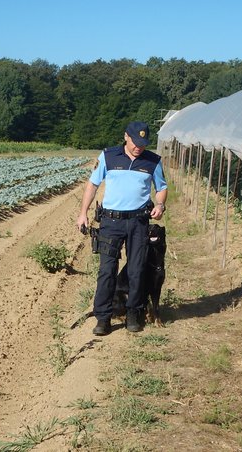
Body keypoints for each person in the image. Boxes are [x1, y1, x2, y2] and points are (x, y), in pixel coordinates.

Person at [76, 121, 168, 335]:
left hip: (138, 222)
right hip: (111, 223)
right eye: (136, 142)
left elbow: (161, 187)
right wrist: (83, 213)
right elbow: (92, 185)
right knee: (107, 271)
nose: (139, 147)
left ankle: (134, 314)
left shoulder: (153, 161)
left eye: (143, 144)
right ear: (126, 136)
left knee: (137, 270)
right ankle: (103, 318)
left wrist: (160, 204)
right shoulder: (108, 156)